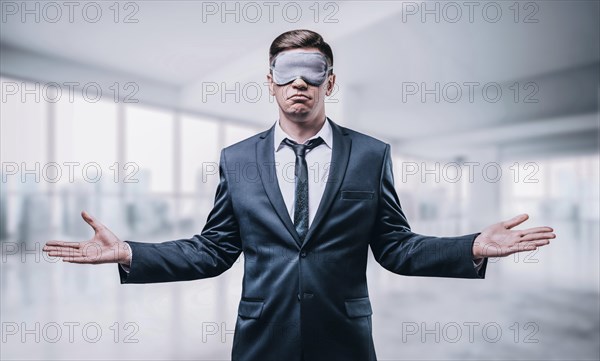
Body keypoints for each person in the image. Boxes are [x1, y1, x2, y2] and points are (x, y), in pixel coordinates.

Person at [43, 29, 555, 361]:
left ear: (329, 81)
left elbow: (396, 246)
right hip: (262, 339)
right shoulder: (238, 159)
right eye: (287, 74)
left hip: (345, 339)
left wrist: (471, 246)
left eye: (313, 73)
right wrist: (131, 252)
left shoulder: (371, 154)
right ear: (270, 83)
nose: (300, 84)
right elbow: (214, 248)